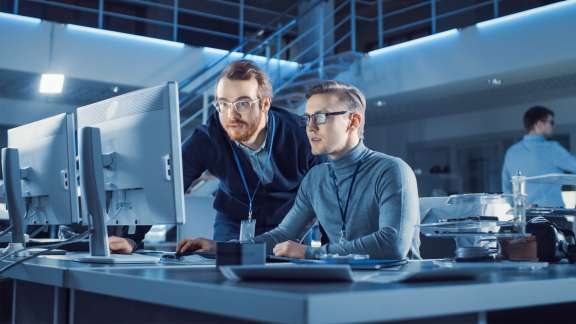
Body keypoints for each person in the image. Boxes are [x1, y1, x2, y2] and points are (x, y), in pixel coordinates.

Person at [177, 80, 420, 259]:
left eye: (322, 117)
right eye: (307, 117)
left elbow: (393, 244)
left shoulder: (391, 170)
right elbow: (282, 235)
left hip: (396, 287)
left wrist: (310, 253)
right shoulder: (317, 178)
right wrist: (220, 247)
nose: (310, 127)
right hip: (347, 285)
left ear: (353, 121)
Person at [502, 106, 576, 207]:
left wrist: (518, 208)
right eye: (551, 122)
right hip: (552, 216)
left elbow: (506, 188)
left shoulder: (511, 152)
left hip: (524, 216)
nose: (553, 126)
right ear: (539, 124)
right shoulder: (552, 148)